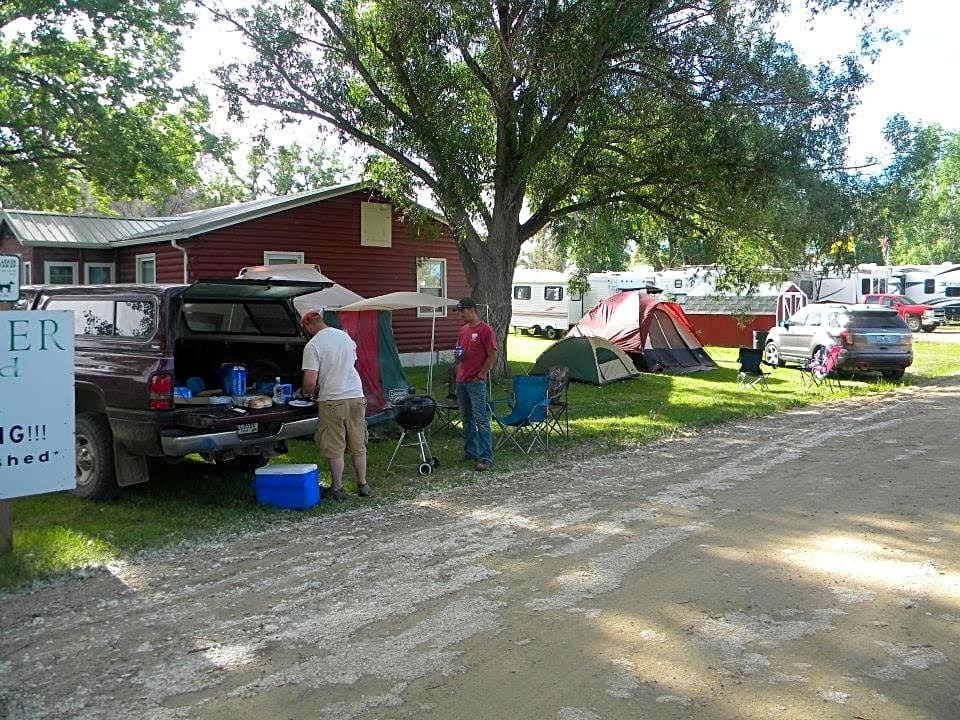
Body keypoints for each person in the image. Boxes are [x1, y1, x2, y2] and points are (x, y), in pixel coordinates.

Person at [300, 310, 370, 500]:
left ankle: (337, 488)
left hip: (332, 399)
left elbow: (310, 382)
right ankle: (362, 484)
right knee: (358, 443)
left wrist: (307, 393)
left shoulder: (313, 345)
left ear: (308, 325)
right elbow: (350, 363)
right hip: (356, 395)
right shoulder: (345, 337)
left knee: (334, 446)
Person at [453, 297, 498, 471]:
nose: (460, 315)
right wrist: (458, 354)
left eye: (462, 311)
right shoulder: (463, 330)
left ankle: (486, 457)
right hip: (461, 380)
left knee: (481, 419)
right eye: (459, 311)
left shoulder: (485, 330)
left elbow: (492, 355)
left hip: (476, 382)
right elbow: (459, 350)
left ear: (472, 310)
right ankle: (471, 451)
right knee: (466, 418)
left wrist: (481, 375)